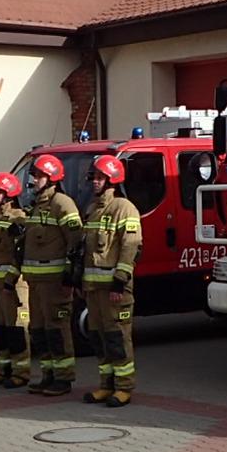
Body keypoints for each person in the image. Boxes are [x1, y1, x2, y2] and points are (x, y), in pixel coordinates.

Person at [80, 155, 143, 407]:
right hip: (94, 289)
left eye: (99, 178)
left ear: (112, 180)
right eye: (93, 177)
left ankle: (124, 387)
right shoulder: (92, 209)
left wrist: (120, 281)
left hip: (114, 290)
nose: (94, 182)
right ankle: (106, 384)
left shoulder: (124, 208)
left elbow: (131, 246)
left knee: (118, 338)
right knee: (99, 337)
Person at [22, 154, 84, 397]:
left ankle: (64, 378)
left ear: (52, 178)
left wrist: (70, 277)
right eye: (35, 176)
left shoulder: (62, 204)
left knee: (57, 329)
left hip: (55, 282)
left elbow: (76, 242)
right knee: (39, 329)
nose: (34, 180)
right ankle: (47, 374)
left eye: (39, 176)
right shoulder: (38, 205)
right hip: (36, 282)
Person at [0, 171, 31, 387]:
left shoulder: (19, 219)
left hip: (11, 287)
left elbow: (20, 253)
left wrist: (10, 279)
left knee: (16, 330)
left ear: (9, 194)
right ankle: (2, 369)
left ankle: (21, 373)